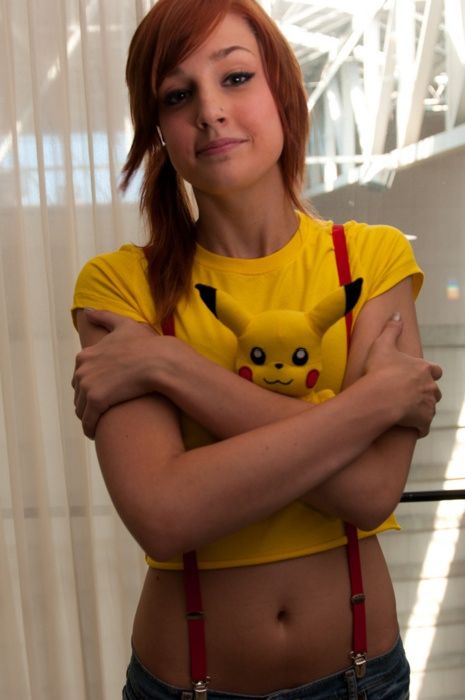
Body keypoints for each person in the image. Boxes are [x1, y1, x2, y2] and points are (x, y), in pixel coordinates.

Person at [71, 1, 442, 698]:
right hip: (188, 687)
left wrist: (169, 365)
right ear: (158, 131)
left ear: (282, 91)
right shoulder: (119, 286)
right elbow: (164, 514)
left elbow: (370, 493)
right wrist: (369, 405)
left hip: (364, 680)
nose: (210, 111)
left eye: (235, 78)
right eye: (177, 95)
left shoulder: (371, 259)